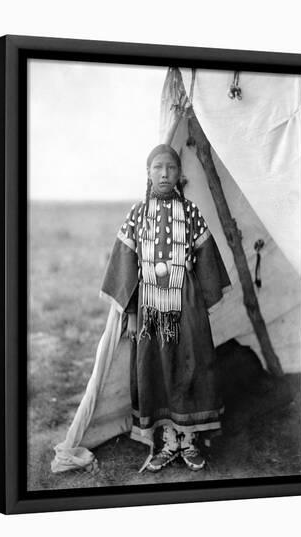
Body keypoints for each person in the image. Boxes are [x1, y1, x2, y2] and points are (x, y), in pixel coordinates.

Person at [100, 144, 231, 473]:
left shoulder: (191, 213)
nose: (164, 174)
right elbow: (125, 264)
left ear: (179, 174)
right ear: (148, 173)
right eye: (157, 167)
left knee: (191, 363)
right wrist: (131, 313)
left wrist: (199, 307)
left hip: (186, 304)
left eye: (170, 168)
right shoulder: (137, 214)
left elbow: (208, 262)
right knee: (155, 366)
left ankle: (190, 440)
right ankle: (168, 439)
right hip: (148, 308)